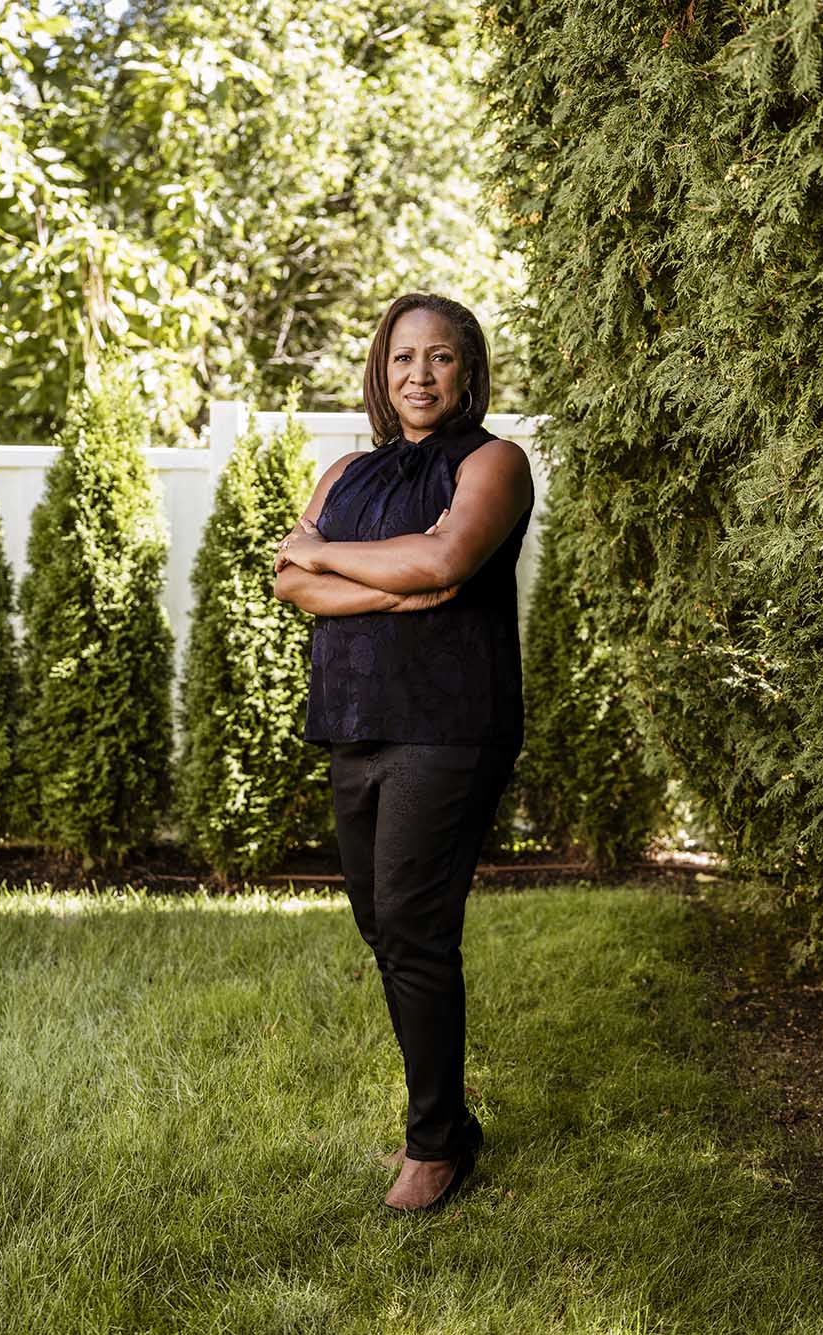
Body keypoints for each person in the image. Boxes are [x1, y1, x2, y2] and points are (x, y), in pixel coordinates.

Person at [272, 292, 534, 1213]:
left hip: (449, 721)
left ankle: (434, 1147)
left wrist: (347, 557)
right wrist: (392, 578)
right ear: (381, 373)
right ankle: (450, 1123)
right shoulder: (345, 470)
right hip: (354, 716)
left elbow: (445, 562)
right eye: (400, 359)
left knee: (415, 929)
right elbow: (291, 578)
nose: (418, 375)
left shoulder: (493, 462)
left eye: (440, 358)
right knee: (382, 925)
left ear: (467, 369)